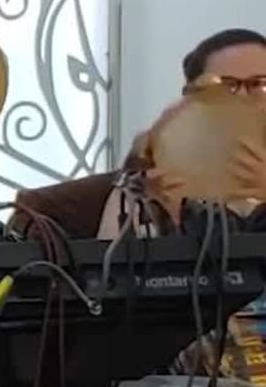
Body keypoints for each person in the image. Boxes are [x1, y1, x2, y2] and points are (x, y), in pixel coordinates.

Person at [98, 28, 266, 238]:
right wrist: (165, 216)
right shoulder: (151, 173)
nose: (242, 97)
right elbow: (115, 252)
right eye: (225, 86)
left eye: (259, 84)